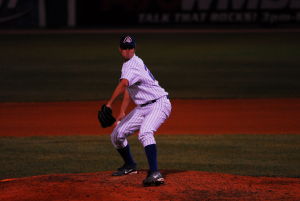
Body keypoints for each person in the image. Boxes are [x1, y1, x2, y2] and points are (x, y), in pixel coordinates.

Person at [106, 34, 172, 187]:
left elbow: (123, 85)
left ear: (134, 48)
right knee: (117, 135)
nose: (127, 51)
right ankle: (130, 165)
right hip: (143, 107)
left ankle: (155, 173)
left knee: (146, 132)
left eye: (130, 48)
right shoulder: (128, 64)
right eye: (125, 48)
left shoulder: (133, 64)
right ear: (119, 49)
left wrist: (109, 103)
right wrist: (122, 111)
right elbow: (130, 89)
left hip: (159, 104)